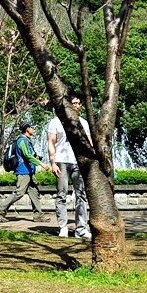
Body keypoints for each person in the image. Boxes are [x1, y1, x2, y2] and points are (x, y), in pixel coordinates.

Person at [47, 96, 92, 238]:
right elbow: (51, 143)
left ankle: (81, 229)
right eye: (74, 103)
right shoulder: (55, 122)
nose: (77, 106)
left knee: (81, 195)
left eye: (79, 103)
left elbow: (89, 143)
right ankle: (63, 227)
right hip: (61, 162)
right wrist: (53, 163)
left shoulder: (83, 123)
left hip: (79, 163)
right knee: (62, 195)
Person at [0, 122, 51, 222]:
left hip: (29, 171)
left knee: (34, 192)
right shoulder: (22, 141)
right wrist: (41, 164)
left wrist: (37, 157)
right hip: (23, 171)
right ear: (27, 129)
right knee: (19, 193)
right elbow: (27, 155)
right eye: (32, 128)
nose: (33, 130)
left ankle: (38, 215)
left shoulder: (27, 141)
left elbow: (29, 155)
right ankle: (0, 210)